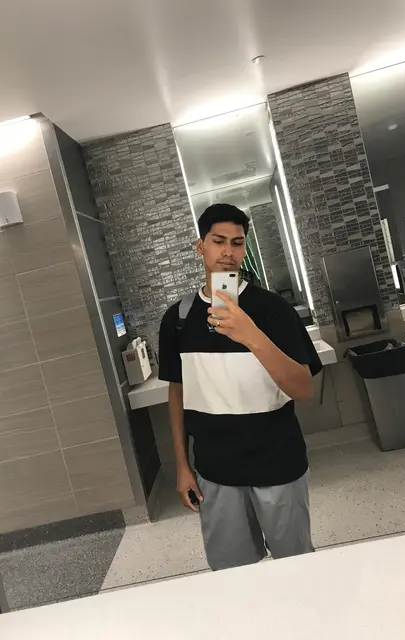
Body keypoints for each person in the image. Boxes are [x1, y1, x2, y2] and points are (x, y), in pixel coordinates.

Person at [158, 203, 322, 571]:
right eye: (218, 241)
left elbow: (304, 389)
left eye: (237, 242)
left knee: (297, 569)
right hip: (215, 472)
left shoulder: (274, 310)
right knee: (233, 574)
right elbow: (177, 393)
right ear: (200, 246)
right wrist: (182, 465)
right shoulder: (178, 319)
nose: (228, 252)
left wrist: (250, 334)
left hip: (278, 464)